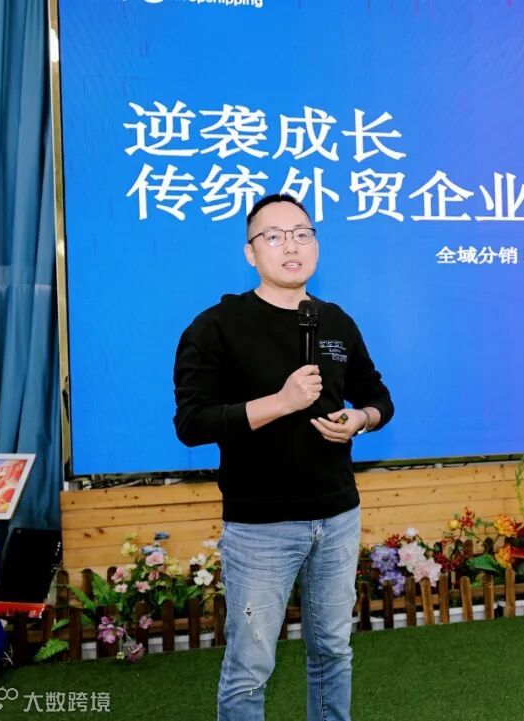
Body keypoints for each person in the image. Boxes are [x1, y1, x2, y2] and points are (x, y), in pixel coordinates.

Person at [173, 192, 393, 721]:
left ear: (315, 244)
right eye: (273, 236)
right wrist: (280, 402)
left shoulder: (335, 321)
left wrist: (360, 419)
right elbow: (192, 424)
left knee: (334, 651)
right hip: (260, 526)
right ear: (251, 252)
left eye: (302, 234)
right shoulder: (216, 326)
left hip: (337, 515)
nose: (291, 246)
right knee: (251, 665)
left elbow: (378, 397)